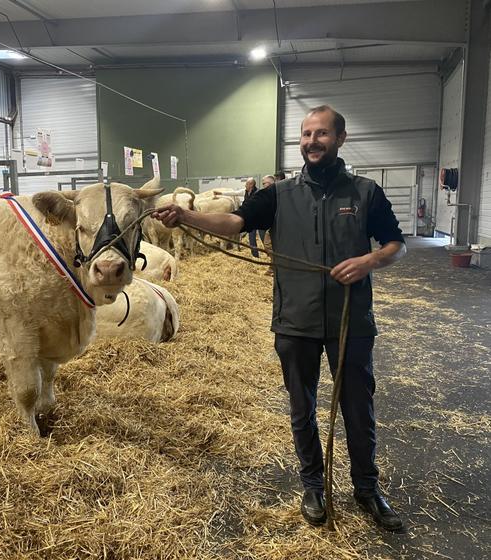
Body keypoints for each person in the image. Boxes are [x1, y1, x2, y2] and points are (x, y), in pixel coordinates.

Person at [153, 105, 406, 532]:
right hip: (295, 320)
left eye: (321, 134)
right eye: (306, 134)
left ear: (340, 139)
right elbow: (234, 222)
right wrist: (187, 216)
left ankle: (366, 488)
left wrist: (368, 260)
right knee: (301, 406)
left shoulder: (365, 193)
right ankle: (313, 485)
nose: (311, 142)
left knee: (358, 407)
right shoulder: (279, 194)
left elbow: (397, 244)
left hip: (351, 320)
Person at [243, 177, 264, 258]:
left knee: (263, 238)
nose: (245, 185)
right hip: (251, 219)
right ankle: (255, 256)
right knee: (251, 238)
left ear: (251, 185)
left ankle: (270, 255)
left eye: (247, 184)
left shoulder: (258, 193)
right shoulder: (246, 192)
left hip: (260, 218)